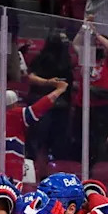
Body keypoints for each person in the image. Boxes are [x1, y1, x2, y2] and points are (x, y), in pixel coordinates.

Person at [0, 81, 66, 186]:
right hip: (10, 174)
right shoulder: (16, 115)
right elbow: (40, 106)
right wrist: (59, 90)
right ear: (13, 104)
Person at [73, 20, 108, 167]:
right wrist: (84, 28)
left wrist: (98, 35)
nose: (99, 47)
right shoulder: (87, 58)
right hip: (84, 106)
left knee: (98, 144)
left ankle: (95, 169)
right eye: (96, 44)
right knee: (81, 142)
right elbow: (75, 44)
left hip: (103, 108)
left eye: (102, 45)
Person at [26, 28, 77, 164]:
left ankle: (57, 165)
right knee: (38, 137)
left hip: (62, 105)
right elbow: (31, 77)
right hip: (42, 102)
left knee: (60, 140)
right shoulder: (41, 58)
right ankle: (32, 165)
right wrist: (49, 82)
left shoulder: (66, 60)